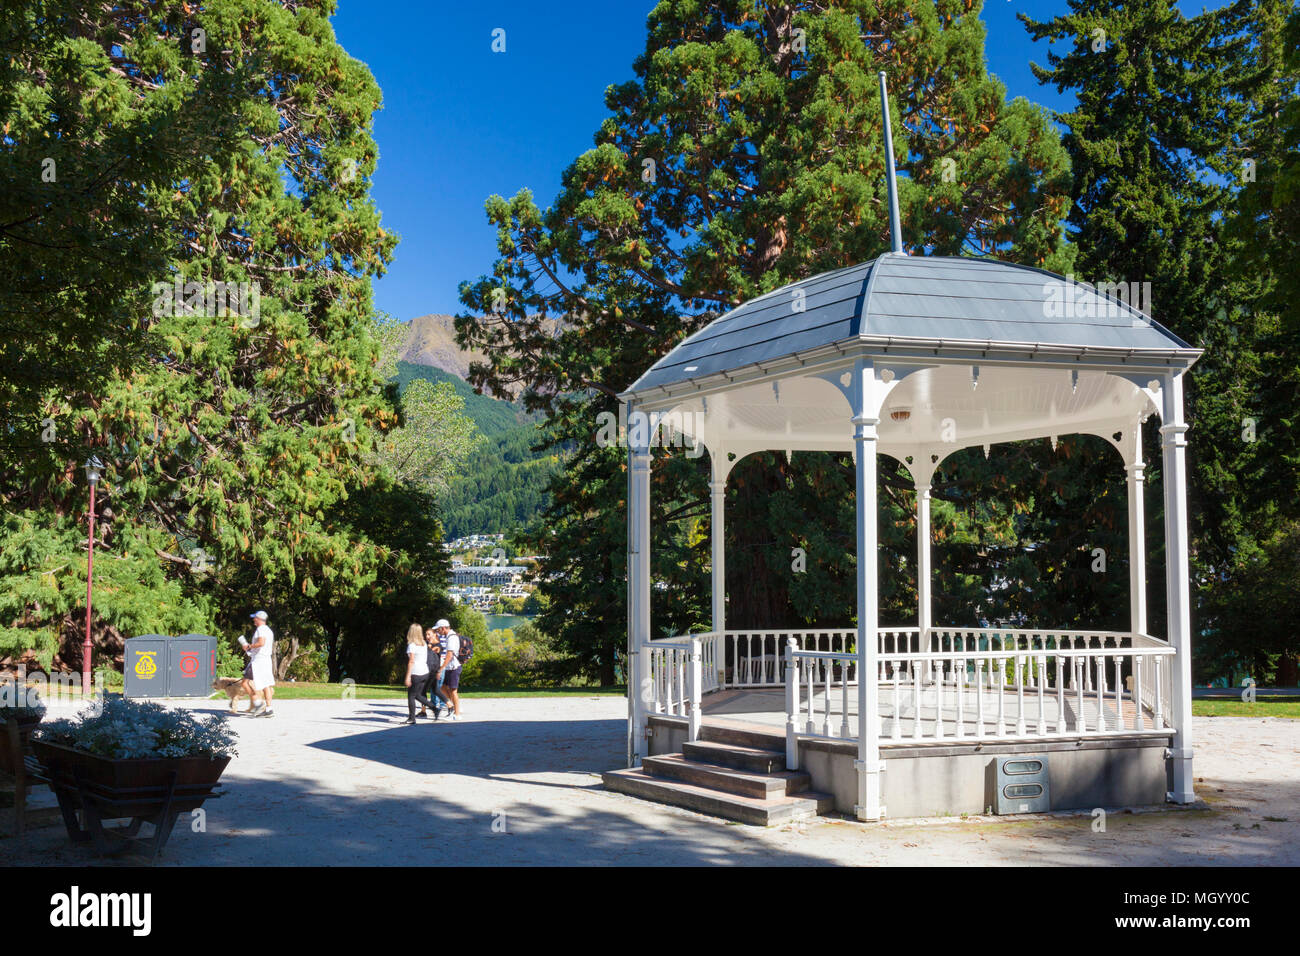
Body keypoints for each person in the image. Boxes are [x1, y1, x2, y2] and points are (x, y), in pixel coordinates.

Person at [402, 623, 434, 725]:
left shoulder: (412, 645)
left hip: (416, 673)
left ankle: (412, 718)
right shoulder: (424, 644)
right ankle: (434, 708)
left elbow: (411, 661)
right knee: (418, 695)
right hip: (425, 672)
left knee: (411, 696)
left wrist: (407, 677)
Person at [246, 610, 276, 717]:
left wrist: (249, 646)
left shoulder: (261, 629)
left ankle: (257, 703)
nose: (254, 620)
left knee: (245, 682)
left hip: (259, 661)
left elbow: (261, 643)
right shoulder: (268, 630)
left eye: (255, 618)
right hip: (266, 659)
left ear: (259, 619)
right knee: (266, 684)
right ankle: (269, 709)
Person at [434, 619, 463, 720]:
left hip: (453, 667)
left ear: (443, 628)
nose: (438, 632)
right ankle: (453, 707)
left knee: (453, 691)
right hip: (450, 667)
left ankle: (457, 714)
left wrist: (441, 669)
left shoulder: (451, 637)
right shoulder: (449, 636)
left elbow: (449, 655)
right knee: (442, 687)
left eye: (438, 630)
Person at [423, 626, 448, 719]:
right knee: (428, 690)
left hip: (436, 670)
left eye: (429, 634)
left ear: (434, 635)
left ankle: (442, 707)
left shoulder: (438, 645)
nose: (427, 636)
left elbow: (437, 649)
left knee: (436, 689)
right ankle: (428, 709)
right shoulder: (425, 644)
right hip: (426, 670)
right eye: (426, 634)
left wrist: (430, 648)